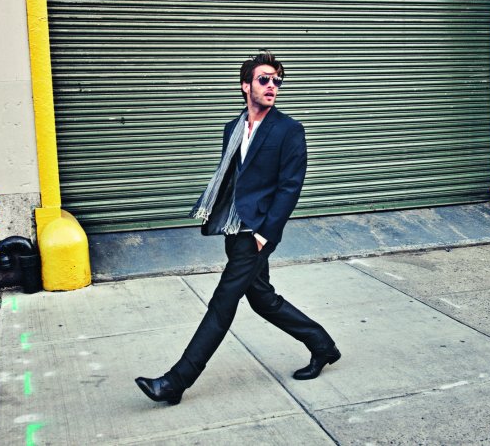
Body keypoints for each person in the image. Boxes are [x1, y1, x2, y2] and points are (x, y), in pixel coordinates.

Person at [135, 51, 340, 405]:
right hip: (234, 227)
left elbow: (290, 187)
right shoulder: (232, 128)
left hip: (257, 232)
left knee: (223, 302)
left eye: (277, 81)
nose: (272, 86)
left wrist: (265, 234)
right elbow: (232, 180)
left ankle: (175, 382)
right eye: (264, 79)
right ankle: (322, 345)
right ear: (246, 85)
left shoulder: (288, 130)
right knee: (263, 300)